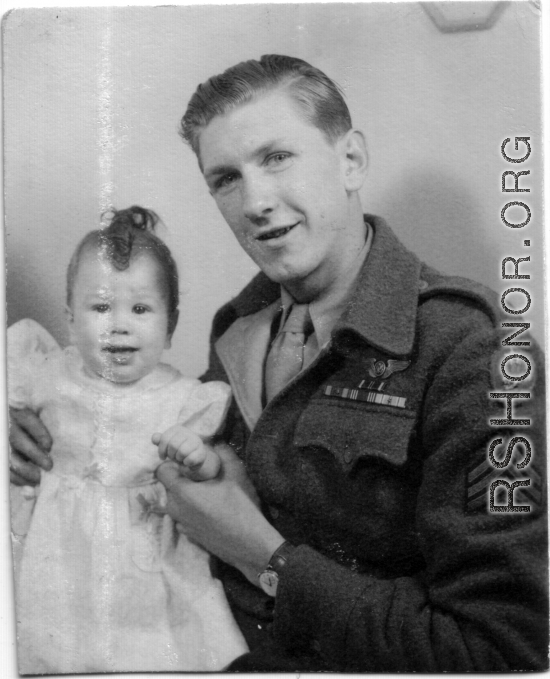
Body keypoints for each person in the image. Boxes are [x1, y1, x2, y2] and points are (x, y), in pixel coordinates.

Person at [10, 56, 547, 672]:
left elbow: (500, 652)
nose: (256, 202)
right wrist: (27, 427)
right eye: (226, 178)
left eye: (276, 158)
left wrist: (267, 558)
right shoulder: (239, 325)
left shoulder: (473, 350)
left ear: (351, 161)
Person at [7, 206, 248, 673]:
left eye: (140, 309)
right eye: (100, 307)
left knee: (154, 644)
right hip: (54, 543)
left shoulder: (184, 399)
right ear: (70, 320)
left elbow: (211, 474)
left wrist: (198, 458)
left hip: (144, 553)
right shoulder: (45, 371)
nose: (119, 324)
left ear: (170, 324)